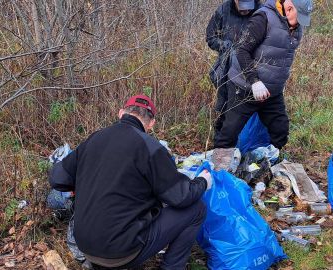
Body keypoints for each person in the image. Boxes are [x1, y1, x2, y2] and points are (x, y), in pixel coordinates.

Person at [49, 94, 212, 270]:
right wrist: (203, 181)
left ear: (121, 113)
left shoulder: (94, 139)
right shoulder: (151, 148)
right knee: (197, 209)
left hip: (85, 245)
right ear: (151, 123)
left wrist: (82, 184)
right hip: (120, 253)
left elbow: (57, 178)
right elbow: (182, 197)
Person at [214, 0, 313, 149]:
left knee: (280, 131)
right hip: (244, 89)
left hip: (272, 92)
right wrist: (254, 81)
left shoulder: (297, 27)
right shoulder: (263, 18)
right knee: (229, 134)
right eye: (299, 18)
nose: (299, 24)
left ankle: (269, 164)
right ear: (289, 8)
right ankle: (219, 169)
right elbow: (242, 50)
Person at [206, 0, 262, 145]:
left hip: (253, 69)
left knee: (252, 109)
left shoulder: (261, 10)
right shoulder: (224, 10)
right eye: (242, 6)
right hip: (227, 69)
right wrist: (223, 45)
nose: (246, 11)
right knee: (226, 109)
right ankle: (220, 147)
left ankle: (249, 146)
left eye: (248, 6)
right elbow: (210, 37)